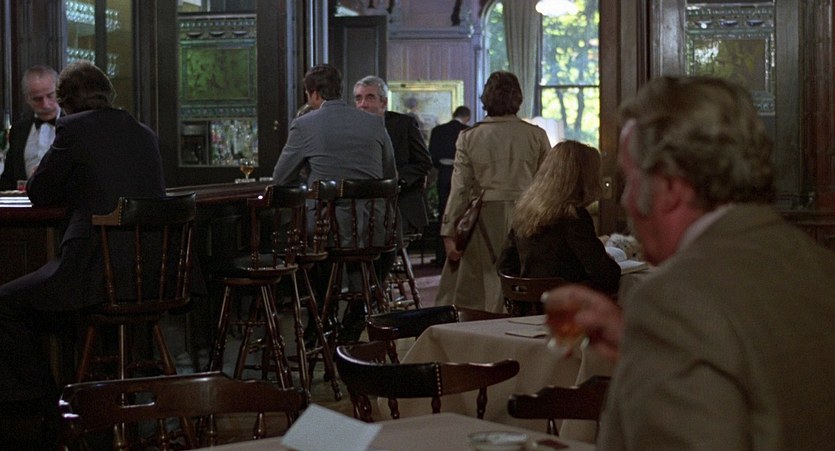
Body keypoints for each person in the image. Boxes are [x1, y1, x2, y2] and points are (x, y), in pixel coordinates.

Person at [544, 76, 835, 449]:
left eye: (630, 180)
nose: (626, 201)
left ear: (669, 187)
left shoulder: (673, 303)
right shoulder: (819, 265)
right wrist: (642, 350)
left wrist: (658, 334)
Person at [0, 60, 166, 448]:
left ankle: (48, 408)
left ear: (65, 102)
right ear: (108, 93)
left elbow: (40, 192)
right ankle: (98, 409)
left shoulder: (73, 129)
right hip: (154, 276)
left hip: (94, 275)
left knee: (5, 303)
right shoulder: (144, 132)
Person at [274, 65, 397, 343]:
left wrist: (311, 176)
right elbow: (390, 177)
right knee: (353, 248)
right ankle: (356, 311)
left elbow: (280, 179)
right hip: (376, 230)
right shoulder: (374, 123)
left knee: (299, 243)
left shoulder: (305, 124)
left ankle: (320, 317)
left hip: (327, 233)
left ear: (314, 94)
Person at [435, 71, 550, 313]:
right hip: (527, 217)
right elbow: (547, 185)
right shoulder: (536, 135)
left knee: (480, 286)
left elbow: (460, 189)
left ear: (486, 98)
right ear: (517, 98)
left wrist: (448, 231)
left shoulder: (469, 137)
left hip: (483, 219)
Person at [497, 140, 620, 296]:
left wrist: (528, 289)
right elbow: (606, 275)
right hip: (566, 305)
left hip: (527, 306)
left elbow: (504, 266)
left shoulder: (526, 211)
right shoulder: (574, 216)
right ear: (585, 178)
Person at [353, 75, 433, 237]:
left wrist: (398, 176)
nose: (363, 104)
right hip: (363, 206)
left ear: (383, 102)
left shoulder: (403, 124)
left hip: (400, 203)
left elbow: (424, 163)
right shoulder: (351, 129)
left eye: (370, 98)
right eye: (358, 99)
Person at [0, 65, 61, 190]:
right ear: (27, 99)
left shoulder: (75, 127)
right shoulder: (19, 130)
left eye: (50, 96)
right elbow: (9, 179)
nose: (45, 104)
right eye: (37, 99)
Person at [429, 105, 471, 264]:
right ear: (467, 117)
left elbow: (432, 156)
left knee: (443, 213)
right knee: (462, 213)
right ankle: (460, 253)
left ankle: (441, 256)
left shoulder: (438, 131)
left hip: (444, 174)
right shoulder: (467, 131)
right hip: (463, 176)